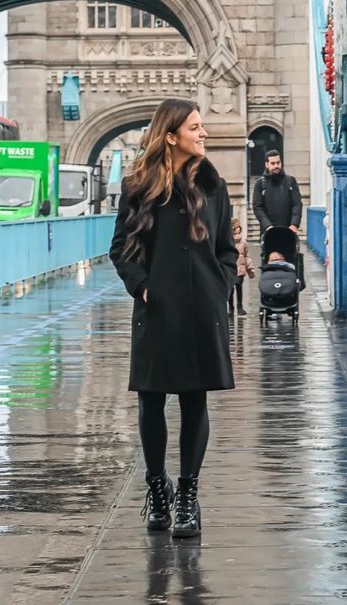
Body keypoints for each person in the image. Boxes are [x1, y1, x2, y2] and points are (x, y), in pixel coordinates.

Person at [109, 99, 238, 539]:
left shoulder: (215, 186)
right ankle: (156, 490)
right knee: (150, 399)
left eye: (202, 127)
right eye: (196, 127)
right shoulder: (137, 187)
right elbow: (120, 249)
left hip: (203, 308)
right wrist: (143, 286)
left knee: (194, 399)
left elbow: (226, 249)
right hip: (158, 309)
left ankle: (187, 495)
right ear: (171, 135)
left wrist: (219, 287)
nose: (204, 134)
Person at [252, 149, 302, 235]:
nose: (276, 166)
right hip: (268, 233)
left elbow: (297, 204)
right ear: (266, 164)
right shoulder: (260, 184)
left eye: (278, 163)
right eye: (273, 163)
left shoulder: (290, 181)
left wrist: (294, 224)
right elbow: (257, 207)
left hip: (289, 231)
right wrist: (268, 226)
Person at [229, 218, 255, 316]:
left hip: (241, 268)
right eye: (236, 228)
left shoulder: (243, 242)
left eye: (239, 228)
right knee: (230, 289)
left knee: (239, 287)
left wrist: (250, 268)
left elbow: (246, 255)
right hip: (231, 268)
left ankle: (240, 306)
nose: (238, 230)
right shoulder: (228, 241)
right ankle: (231, 307)